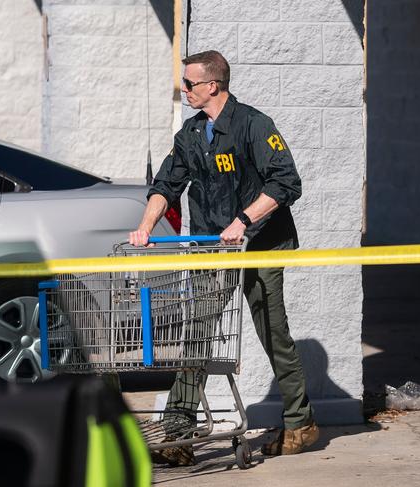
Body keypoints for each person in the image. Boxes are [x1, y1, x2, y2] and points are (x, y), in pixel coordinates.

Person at [128, 50, 319, 466]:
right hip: (212, 249)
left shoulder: (254, 125)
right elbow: (166, 184)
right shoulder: (192, 134)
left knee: (271, 330)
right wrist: (145, 226)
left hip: (262, 242)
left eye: (190, 84)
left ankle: (300, 422)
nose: (185, 90)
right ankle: (179, 435)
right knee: (196, 334)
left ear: (213, 85)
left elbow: (287, 182)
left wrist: (243, 220)